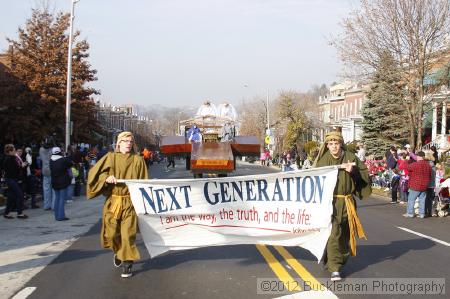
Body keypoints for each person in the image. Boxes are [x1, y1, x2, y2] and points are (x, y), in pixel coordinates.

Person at [87, 132, 148, 278]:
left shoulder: (138, 160)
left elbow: (145, 182)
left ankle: (127, 263)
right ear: (118, 143)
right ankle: (118, 251)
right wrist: (106, 178)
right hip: (113, 201)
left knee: (128, 234)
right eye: (125, 140)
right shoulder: (110, 157)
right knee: (112, 233)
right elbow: (94, 174)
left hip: (130, 202)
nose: (128, 143)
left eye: (130, 141)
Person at [313, 131, 371, 281]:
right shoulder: (323, 160)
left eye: (336, 144)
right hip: (329, 203)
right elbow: (314, 180)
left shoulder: (351, 157)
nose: (334, 147)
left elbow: (364, 176)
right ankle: (335, 268)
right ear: (327, 145)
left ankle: (337, 260)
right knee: (334, 234)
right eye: (331, 144)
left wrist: (354, 171)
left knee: (344, 235)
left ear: (341, 144)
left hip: (347, 202)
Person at [2, 144, 28, 219]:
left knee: (11, 196)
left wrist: (20, 166)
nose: (15, 151)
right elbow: (13, 169)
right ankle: (19, 213)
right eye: (13, 150)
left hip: (10, 179)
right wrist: (21, 166)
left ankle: (6, 213)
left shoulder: (7, 158)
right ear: (10, 151)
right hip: (11, 179)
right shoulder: (11, 158)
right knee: (20, 195)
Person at [403, 151, 431, 218]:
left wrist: (406, 160)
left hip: (415, 185)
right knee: (422, 200)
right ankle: (422, 214)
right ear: (423, 157)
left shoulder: (415, 164)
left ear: (418, 156)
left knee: (411, 199)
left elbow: (407, 167)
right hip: (424, 185)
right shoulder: (428, 165)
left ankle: (410, 213)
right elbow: (430, 176)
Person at [50, 147, 73, 221]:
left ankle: (57, 216)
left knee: (57, 198)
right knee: (62, 199)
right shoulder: (63, 159)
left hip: (54, 181)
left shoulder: (51, 160)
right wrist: (65, 156)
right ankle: (61, 216)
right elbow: (70, 164)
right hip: (63, 181)